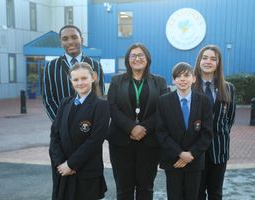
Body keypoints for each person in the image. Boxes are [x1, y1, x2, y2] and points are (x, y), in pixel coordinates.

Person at [42, 25, 104, 199]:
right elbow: (48, 98)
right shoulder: (51, 67)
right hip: (63, 141)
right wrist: (64, 127)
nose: (70, 41)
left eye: (74, 37)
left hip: (87, 140)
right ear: (60, 42)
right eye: (65, 38)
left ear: (81, 39)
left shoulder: (96, 65)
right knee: (64, 190)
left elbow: (100, 95)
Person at [107, 43, 168, 200]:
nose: (137, 58)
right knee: (123, 189)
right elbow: (112, 108)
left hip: (149, 143)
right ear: (128, 60)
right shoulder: (116, 81)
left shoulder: (159, 82)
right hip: (120, 142)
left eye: (141, 55)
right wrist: (131, 128)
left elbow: (163, 110)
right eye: (133, 55)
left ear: (147, 59)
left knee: (146, 188)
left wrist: (143, 128)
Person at [49, 62, 109, 200]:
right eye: (76, 79)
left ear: (92, 78)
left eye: (84, 78)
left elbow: (95, 141)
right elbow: (55, 135)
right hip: (63, 171)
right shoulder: (65, 103)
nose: (80, 83)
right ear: (71, 81)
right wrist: (60, 163)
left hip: (86, 172)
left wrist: (71, 164)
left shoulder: (101, 106)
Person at [156, 62, 213, 200]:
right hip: (173, 160)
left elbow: (207, 133)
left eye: (186, 75)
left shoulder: (204, 101)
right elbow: (161, 132)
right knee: (174, 196)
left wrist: (191, 154)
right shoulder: (163, 101)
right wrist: (180, 153)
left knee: (192, 196)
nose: (182, 79)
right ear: (173, 80)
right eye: (178, 76)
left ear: (193, 78)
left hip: (194, 160)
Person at [193, 45, 236, 200]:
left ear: (218, 63)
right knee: (197, 193)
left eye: (213, 59)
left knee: (216, 193)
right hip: (196, 150)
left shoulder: (228, 88)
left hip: (219, 150)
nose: (208, 61)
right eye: (204, 58)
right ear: (199, 61)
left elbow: (229, 119)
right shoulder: (190, 87)